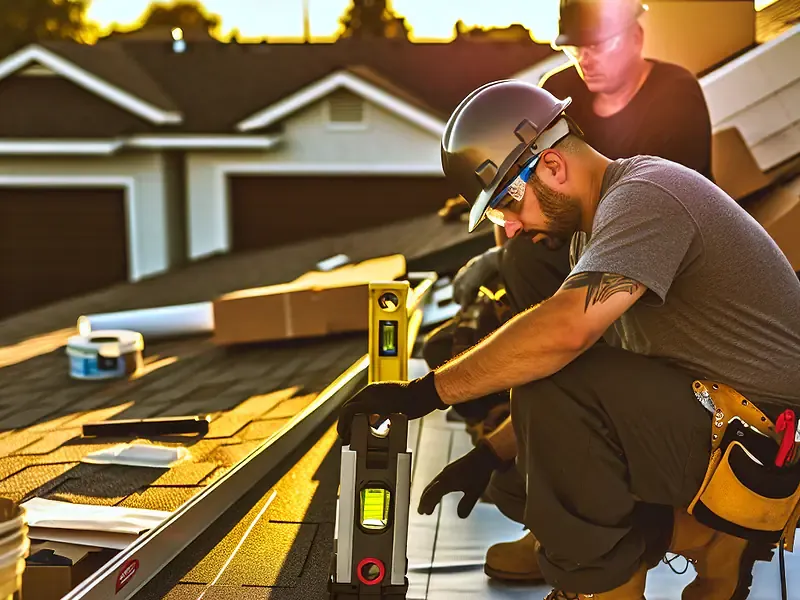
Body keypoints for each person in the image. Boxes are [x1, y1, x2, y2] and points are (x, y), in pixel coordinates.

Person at [337, 80, 800, 599]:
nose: (509, 227)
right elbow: (595, 361)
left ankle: (606, 587)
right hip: (719, 421)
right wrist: (490, 454)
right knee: (522, 472)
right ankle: (708, 542)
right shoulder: (596, 227)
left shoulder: (647, 195)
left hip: (761, 444)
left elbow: (564, 334)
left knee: (552, 388)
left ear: (553, 167)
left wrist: (423, 394)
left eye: (506, 205)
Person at [422, 0, 714, 446]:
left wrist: (427, 394)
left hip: (648, 261)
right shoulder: (556, 89)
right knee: (448, 348)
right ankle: (532, 394)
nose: (586, 60)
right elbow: (519, 195)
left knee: (529, 279)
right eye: (576, 49)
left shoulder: (675, 94)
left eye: (598, 45)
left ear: (635, 36)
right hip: (574, 254)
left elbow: (667, 214)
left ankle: (570, 385)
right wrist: (500, 251)